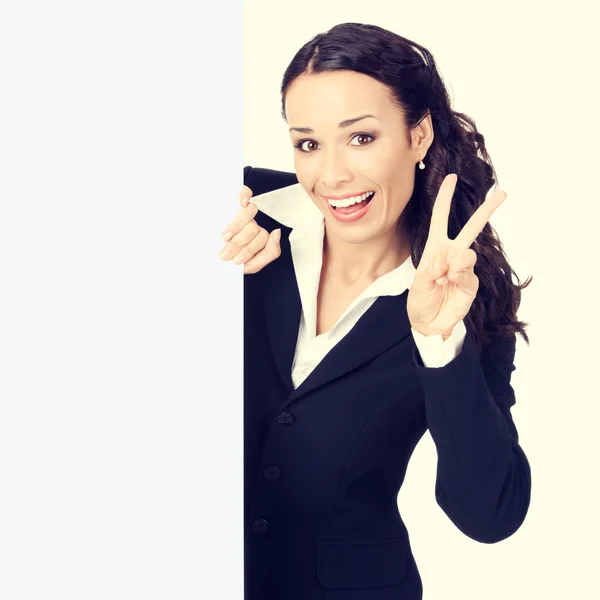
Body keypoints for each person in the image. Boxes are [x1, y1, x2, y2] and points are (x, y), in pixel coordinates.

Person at [220, 22, 532, 600]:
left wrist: (440, 346)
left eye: (360, 137)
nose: (332, 175)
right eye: (307, 143)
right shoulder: (241, 218)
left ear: (418, 137)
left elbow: (490, 514)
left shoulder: (465, 299)